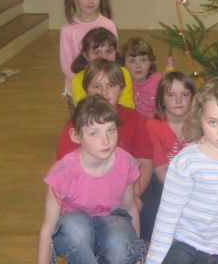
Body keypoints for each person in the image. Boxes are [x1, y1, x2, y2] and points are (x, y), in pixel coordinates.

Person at [146, 77, 218, 264]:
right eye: (213, 122)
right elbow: (167, 217)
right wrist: (153, 261)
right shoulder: (186, 161)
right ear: (199, 119)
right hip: (186, 243)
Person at [38, 96, 145, 264]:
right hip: (74, 227)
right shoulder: (63, 173)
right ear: (76, 136)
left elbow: (130, 207)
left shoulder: (125, 163)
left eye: (111, 130)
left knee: (122, 247)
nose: (105, 140)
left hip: (111, 220)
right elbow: (48, 227)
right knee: (76, 229)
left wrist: (136, 256)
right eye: (94, 133)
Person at [57, 59, 153, 208]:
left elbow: (145, 162)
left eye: (111, 85)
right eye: (96, 86)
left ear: (121, 90)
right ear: (86, 90)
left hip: (124, 194)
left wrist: (134, 195)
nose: (103, 92)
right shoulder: (75, 124)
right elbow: (65, 170)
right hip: (83, 198)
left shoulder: (134, 119)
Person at [140, 71, 194, 242]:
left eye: (185, 94)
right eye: (171, 95)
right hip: (162, 181)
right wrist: (180, 194)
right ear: (161, 99)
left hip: (193, 182)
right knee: (153, 215)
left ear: (193, 98)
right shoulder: (152, 126)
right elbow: (160, 167)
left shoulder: (199, 124)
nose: (179, 100)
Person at [60, 0, 116, 93]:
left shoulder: (109, 25)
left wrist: (102, 82)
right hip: (77, 86)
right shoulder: (67, 30)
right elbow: (66, 65)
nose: (90, 1)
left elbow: (112, 56)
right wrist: (82, 84)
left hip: (104, 87)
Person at [70, 27, 135, 109]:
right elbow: (84, 110)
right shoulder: (77, 80)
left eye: (108, 51)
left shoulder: (124, 73)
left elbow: (127, 107)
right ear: (86, 55)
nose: (104, 57)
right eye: (97, 53)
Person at [122, 37, 162, 118]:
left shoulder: (159, 82)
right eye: (132, 61)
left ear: (150, 62)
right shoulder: (122, 83)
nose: (138, 66)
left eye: (143, 60)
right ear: (124, 64)